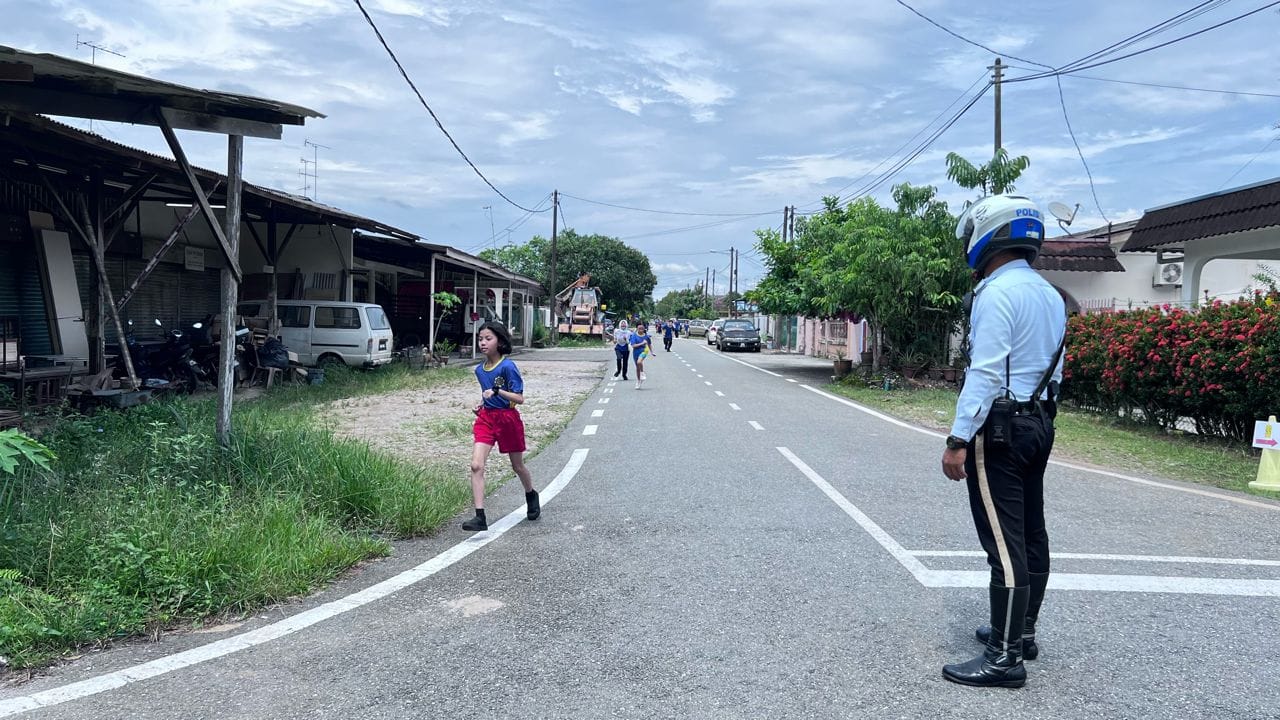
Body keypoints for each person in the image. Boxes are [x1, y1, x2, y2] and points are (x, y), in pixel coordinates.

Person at [940, 194, 1066, 688]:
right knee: (1032, 530)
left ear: (987, 235)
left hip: (1002, 426)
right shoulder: (1050, 294)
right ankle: (1022, 632)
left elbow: (986, 372)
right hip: (1040, 420)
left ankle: (1004, 655)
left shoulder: (996, 294)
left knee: (1004, 542)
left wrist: (958, 438)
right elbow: (1057, 369)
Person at [463, 321, 540, 531]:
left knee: (517, 466)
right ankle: (480, 516)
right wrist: (482, 403)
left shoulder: (507, 367)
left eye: (488, 338)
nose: (483, 343)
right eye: (480, 339)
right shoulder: (480, 370)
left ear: (499, 341)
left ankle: (531, 494)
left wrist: (498, 392)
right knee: (476, 465)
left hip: (508, 419)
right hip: (486, 419)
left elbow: (519, 398)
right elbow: (487, 394)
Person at [629, 322, 653, 389]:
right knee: (637, 367)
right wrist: (642, 343)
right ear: (637, 328)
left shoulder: (646, 336)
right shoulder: (634, 336)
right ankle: (638, 381)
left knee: (639, 362)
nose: (641, 330)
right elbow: (633, 345)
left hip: (644, 351)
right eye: (639, 329)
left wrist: (651, 352)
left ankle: (642, 373)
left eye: (642, 329)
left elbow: (649, 344)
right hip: (636, 352)